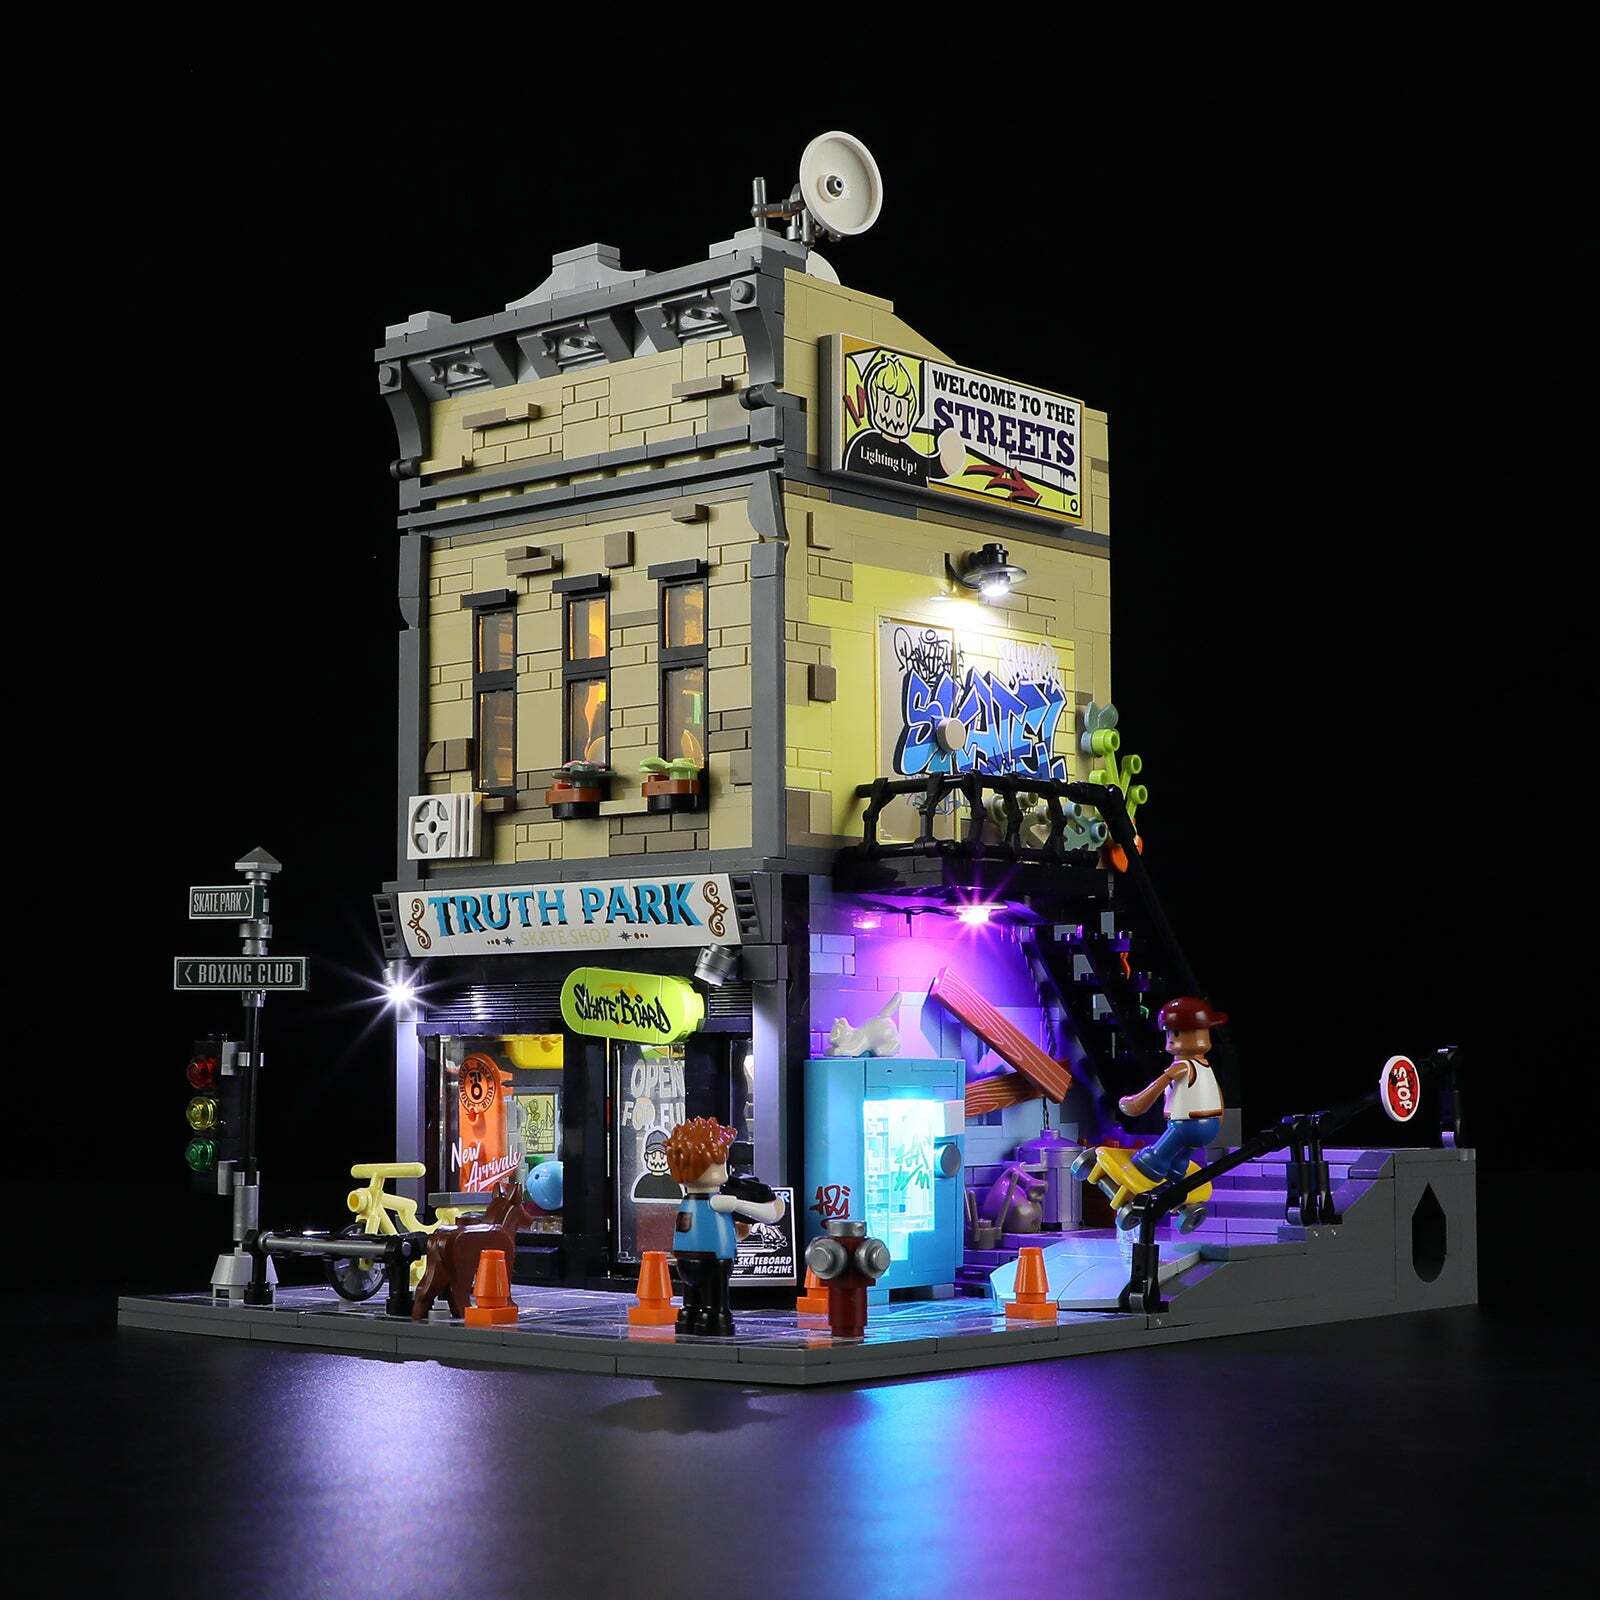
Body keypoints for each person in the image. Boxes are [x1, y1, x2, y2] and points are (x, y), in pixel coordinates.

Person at [665, 1118, 785, 1336]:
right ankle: (712, 1315)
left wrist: (734, 1228)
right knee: (713, 1301)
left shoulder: (689, 1203)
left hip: (687, 1260)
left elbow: (699, 1230)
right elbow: (769, 1214)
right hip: (713, 1260)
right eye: (719, 1163)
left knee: (693, 1299)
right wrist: (737, 1205)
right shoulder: (719, 1202)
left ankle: (691, 1314)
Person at [1119, 997, 1228, 1185]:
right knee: (1183, 1152)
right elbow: (1217, 1095)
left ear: (1174, 1034)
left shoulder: (1182, 1066)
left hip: (1187, 1125)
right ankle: (1178, 1167)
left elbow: (1157, 1086)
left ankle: (1155, 1161)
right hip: (1210, 1126)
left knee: (1160, 1152)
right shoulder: (1204, 1066)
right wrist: (1220, 1120)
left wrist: (1135, 1104)